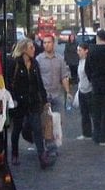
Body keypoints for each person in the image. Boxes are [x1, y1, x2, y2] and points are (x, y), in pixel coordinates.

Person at [7, 39, 53, 169]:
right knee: (17, 129)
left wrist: (44, 100)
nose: (34, 49)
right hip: (19, 103)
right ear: (24, 49)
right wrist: (13, 99)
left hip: (33, 102)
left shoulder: (34, 64)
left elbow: (39, 83)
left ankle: (42, 157)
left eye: (33, 47)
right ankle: (15, 154)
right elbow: (9, 83)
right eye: (31, 47)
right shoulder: (15, 63)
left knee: (38, 129)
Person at [36, 35, 71, 155]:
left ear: (53, 43)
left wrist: (67, 91)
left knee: (59, 121)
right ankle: (50, 146)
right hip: (44, 96)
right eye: (44, 43)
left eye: (48, 42)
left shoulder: (60, 59)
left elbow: (64, 76)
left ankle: (54, 143)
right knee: (47, 122)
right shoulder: (39, 59)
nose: (46, 45)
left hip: (57, 94)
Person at [75, 41, 94, 140]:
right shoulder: (80, 61)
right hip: (82, 89)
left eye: (80, 50)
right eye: (77, 50)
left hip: (89, 90)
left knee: (92, 113)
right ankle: (86, 133)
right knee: (84, 113)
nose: (78, 52)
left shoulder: (89, 62)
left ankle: (95, 132)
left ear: (86, 51)